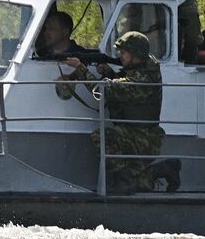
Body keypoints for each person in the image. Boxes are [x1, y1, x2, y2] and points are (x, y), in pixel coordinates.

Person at [60, 31, 165, 194]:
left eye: (124, 53)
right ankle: (165, 169)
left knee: (101, 136)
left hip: (144, 139)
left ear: (136, 55)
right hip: (138, 134)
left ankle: (125, 181)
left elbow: (101, 91)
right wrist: (109, 73)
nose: (120, 56)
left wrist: (81, 69)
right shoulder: (143, 69)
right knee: (141, 183)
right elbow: (121, 85)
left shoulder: (142, 79)